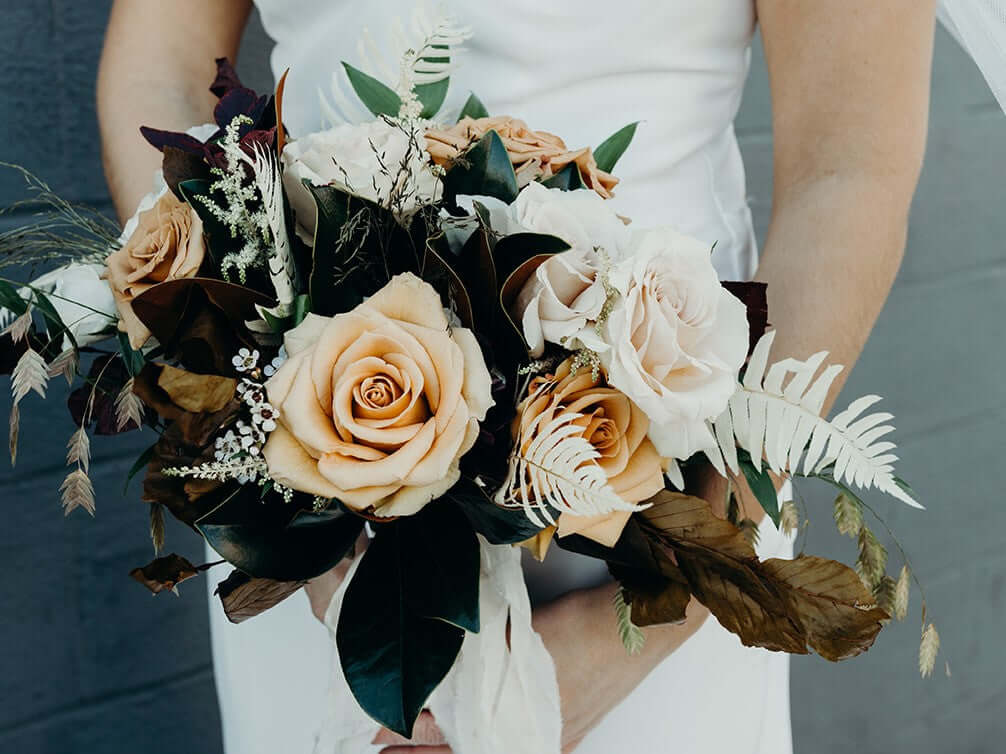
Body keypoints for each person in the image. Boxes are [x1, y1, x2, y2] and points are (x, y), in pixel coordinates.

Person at [96, 1, 936, 751]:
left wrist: (655, 608)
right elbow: (161, 65)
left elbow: (848, 165)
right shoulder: (296, 509)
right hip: (304, 490)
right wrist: (292, 499)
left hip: (655, 511)